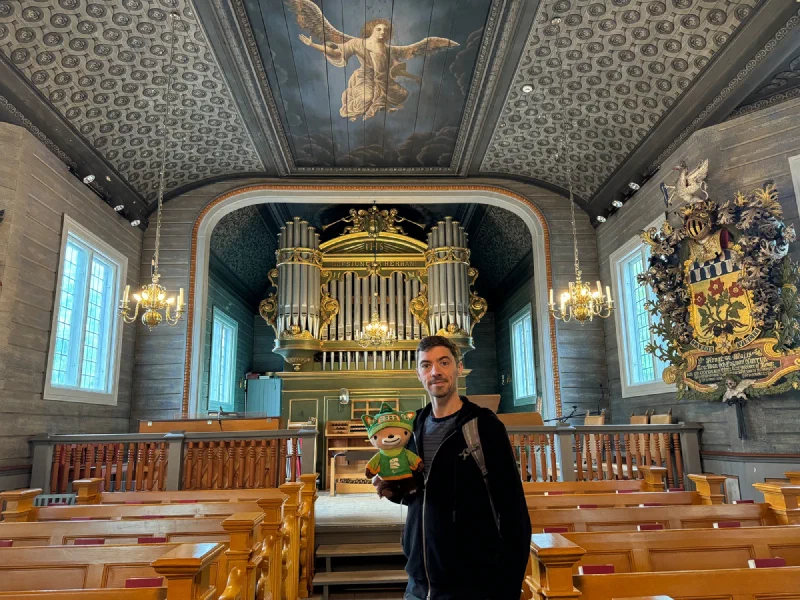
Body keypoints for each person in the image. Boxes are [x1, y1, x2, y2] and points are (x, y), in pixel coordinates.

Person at [376, 335, 531, 600]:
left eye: (443, 362)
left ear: (458, 367)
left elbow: (514, 512)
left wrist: (508, 587)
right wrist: (393, 490)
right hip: (418, 583)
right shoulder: (412, 429)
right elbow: (420, 497)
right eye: (426, 365)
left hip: (472, 585)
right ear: (418, 374)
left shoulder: (484, 427)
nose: (435, 371)